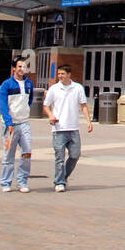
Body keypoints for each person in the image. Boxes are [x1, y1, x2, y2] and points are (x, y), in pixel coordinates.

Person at [43, 64, 92, 192]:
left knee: (75, 155)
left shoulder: (77, 88)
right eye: (59, 74)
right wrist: (50, 115)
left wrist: (88, 121)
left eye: (62, 74)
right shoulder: (54, 89)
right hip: (59, 128)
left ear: (69, 75)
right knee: (59, 157)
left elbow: (83, 105)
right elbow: (46, 105)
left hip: (73, 128)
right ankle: (59, 182)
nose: (60, 76)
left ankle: (63, 177)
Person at [0, 57, 34, 192]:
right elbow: (3, 105)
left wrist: (25, 111)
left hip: (24, 122)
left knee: (27, 152)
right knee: (9, 154)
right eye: (19, 67)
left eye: (24, 67)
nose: (22, 69)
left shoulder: (29, 84)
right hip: (10, 124)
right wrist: (8, 122)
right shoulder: (7, 84)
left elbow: (29, 101)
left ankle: (22, 181)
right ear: (14, 68)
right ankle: (5, 182)